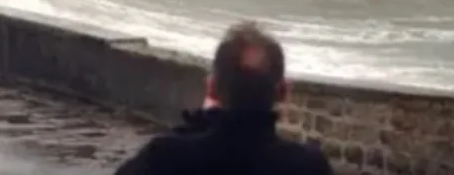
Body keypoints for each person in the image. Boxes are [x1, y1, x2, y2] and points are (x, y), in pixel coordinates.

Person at [114, 21, 332, 175]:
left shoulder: (164, 159)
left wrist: (195, 126)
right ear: (283, 91)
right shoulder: (308, 167)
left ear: (212, 88)